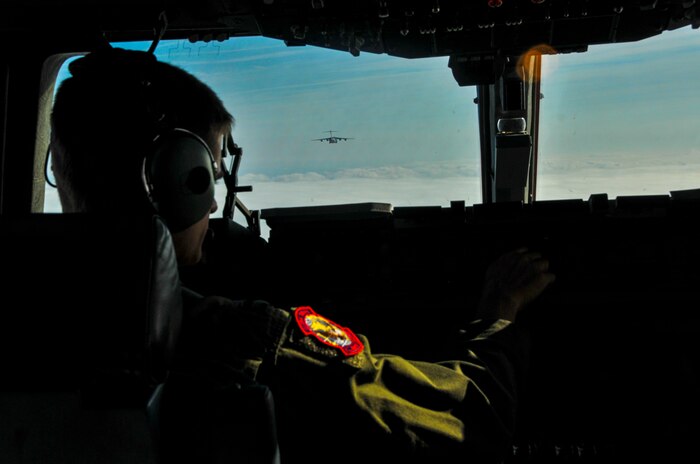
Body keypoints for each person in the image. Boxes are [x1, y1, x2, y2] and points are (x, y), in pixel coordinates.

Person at [49, 47, 556, 463]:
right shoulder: (245, 345)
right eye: (210, 172)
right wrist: (498, 315)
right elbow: (471, 426)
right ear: (178, 180)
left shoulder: (39, 309)